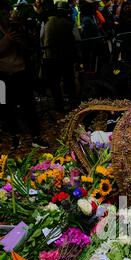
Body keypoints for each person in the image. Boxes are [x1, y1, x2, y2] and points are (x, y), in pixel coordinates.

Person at [0, 0, 48, 149]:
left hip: (21, 72)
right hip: (3, 76)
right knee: (7, 107)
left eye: (7, 12)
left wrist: (22, 41)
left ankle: (35, 137)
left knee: (29, 105)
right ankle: (14, 138)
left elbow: (29, 48)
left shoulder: (16, 27)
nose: (6, 15)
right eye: (3, 13)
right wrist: (7, 40)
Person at [41, 1, 79, 110]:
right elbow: (77, 39)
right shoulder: (71, 23)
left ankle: (59, 104)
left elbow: (41, 38)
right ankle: (73, 103)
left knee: (54, 83)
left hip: (49, 57)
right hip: (65, 56)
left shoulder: (47, 21)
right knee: (69, 80)